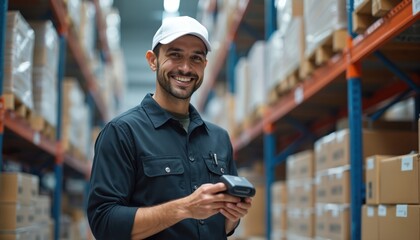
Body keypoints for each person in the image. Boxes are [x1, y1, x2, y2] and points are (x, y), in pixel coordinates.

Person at [87, 16, 253, 240]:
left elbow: (222, 226)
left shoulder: (219, 138)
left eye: (196, 58)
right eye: (175, 55)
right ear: (153, 60)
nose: (186, 68)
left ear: (204, 65)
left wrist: (233, 215)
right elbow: (104, 223)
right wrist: (185, 208)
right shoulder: (122, 133)